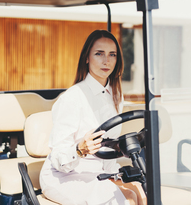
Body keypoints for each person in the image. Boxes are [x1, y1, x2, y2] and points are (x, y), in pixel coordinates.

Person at [39, 30, 146, 205]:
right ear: (87, 58)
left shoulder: (116, 96)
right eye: (99, 54)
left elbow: (109, 148)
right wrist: (80, 149)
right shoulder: (72, 98)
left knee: (142, 194)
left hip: (99, 172)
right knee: (127, 201)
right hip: (66, 175)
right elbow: (59, 159)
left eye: (112, 54)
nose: (107, 61)